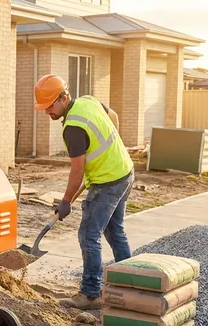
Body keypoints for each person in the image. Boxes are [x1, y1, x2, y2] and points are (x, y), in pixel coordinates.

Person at [33, 74, 134, 310]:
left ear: (63, 98)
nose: (47, 112)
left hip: (107, 182)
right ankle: (131, 284)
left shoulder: (73, 128)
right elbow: (113, 117)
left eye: (50, 106)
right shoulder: (88, 101)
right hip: (124, 172)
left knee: (89, 235)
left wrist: (65, 201)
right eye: (44, 107)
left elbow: (77, 170)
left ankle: (90, 294)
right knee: (114, 231)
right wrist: (110, 151)